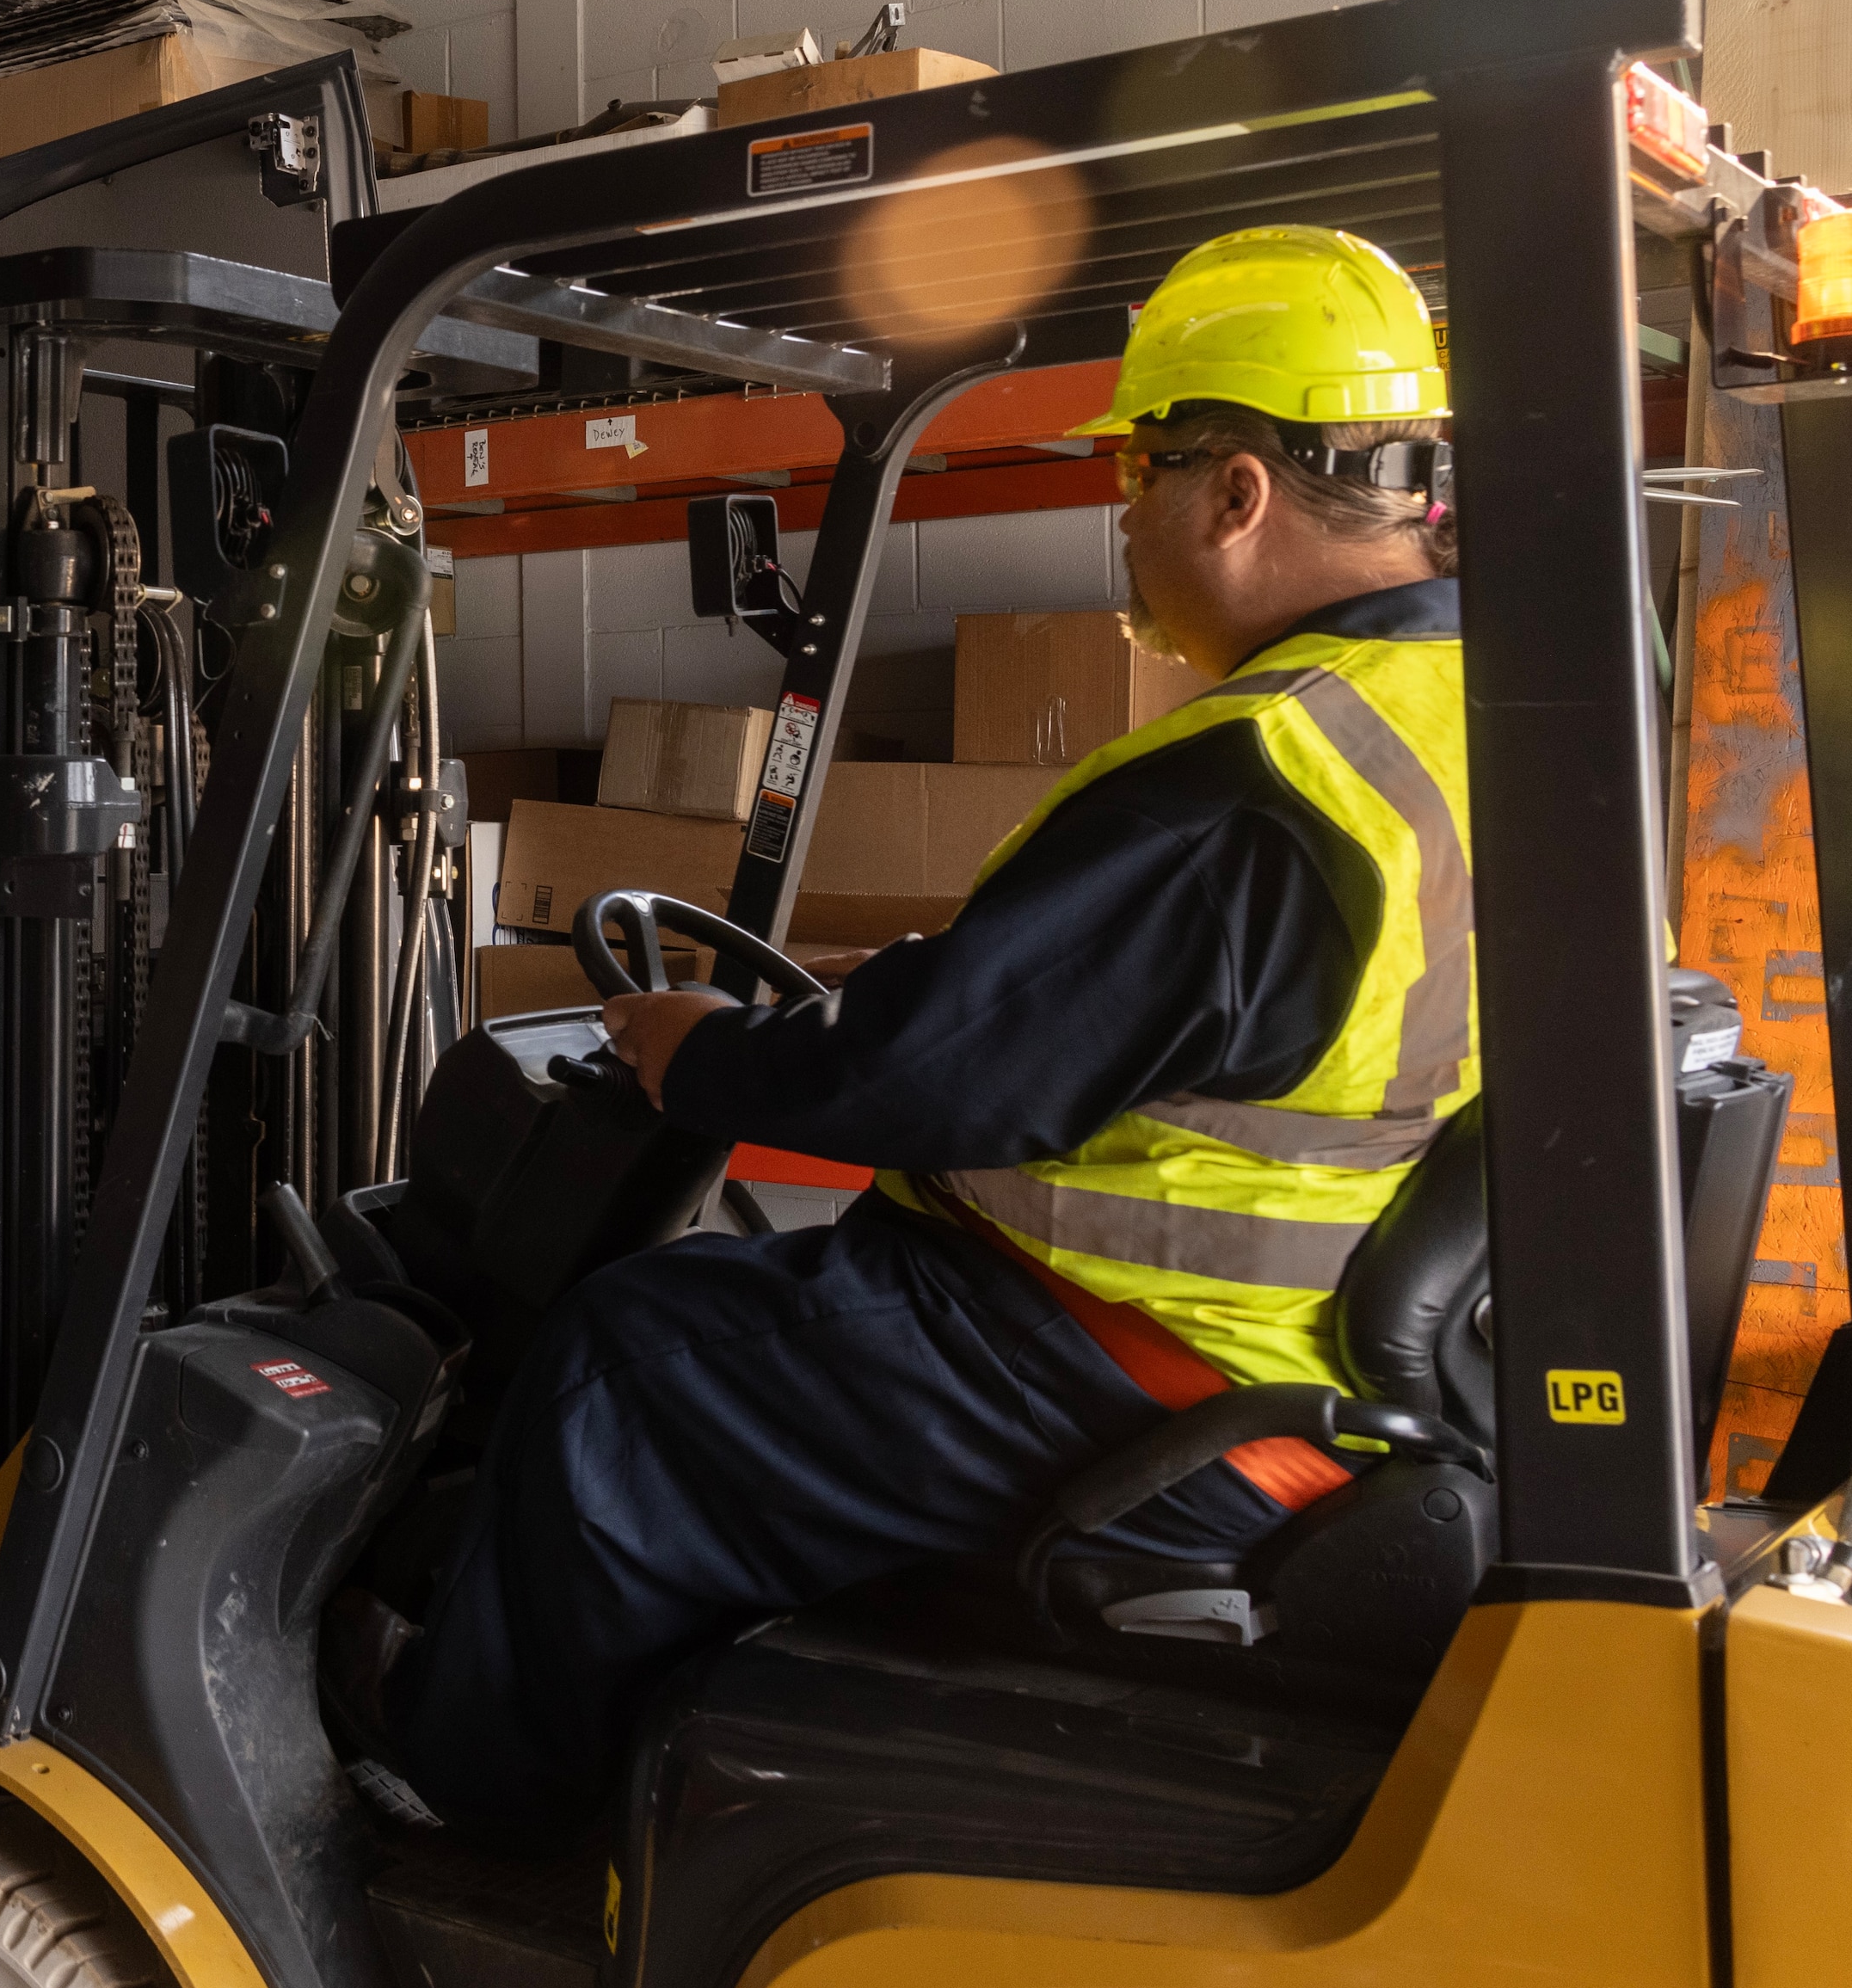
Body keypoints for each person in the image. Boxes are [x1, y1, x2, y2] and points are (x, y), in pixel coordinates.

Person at [337, 223, 1476, 1846]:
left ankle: (472, 1814)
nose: (1125, 521)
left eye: (1141, 474)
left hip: (1129, 1367)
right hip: (1316, 1355)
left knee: (621, 1364)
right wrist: (912, 985)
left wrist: (701, 1055)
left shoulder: (1256, 783)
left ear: (1238, 492)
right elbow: (1120, 1017)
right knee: (734, 1315)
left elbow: (933, 1077)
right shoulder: (1471, 721)